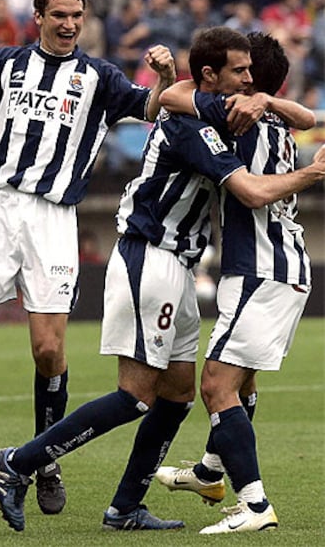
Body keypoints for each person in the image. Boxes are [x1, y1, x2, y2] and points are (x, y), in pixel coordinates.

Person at [0, 27, 325, 533]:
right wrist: (311, 172)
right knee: (136, 394)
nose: (248, 80)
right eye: (240, 72)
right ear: (211, 75)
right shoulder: (193, 122)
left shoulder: (215, 106)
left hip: (179, 265)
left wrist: (261, 100)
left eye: (252, 74)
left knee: (179, 394)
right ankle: (19, 464)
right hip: (149, 255)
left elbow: (296, 114)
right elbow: (247, 185)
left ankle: (125, 507)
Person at [0, 0, 177, 519]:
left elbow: (151, 109)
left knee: (49, 350)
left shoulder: (99, 76)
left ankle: (40, 460)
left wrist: (165, 76)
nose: (68, 24)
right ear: (38, 16)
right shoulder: (7, 64)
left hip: (55, 218)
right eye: (58, 15)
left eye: (77, 16)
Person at [155, 30, 323, 533]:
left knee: (215, 385)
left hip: (260, 267)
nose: (242, 75)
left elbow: (169, 96)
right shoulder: (277, 120)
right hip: (285, 266)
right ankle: (210, 470)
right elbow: (310, 117)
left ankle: (254, 505)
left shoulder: (233, 114)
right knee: (242, 380)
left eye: (247, 71)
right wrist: (267, 98)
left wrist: (245, 97)